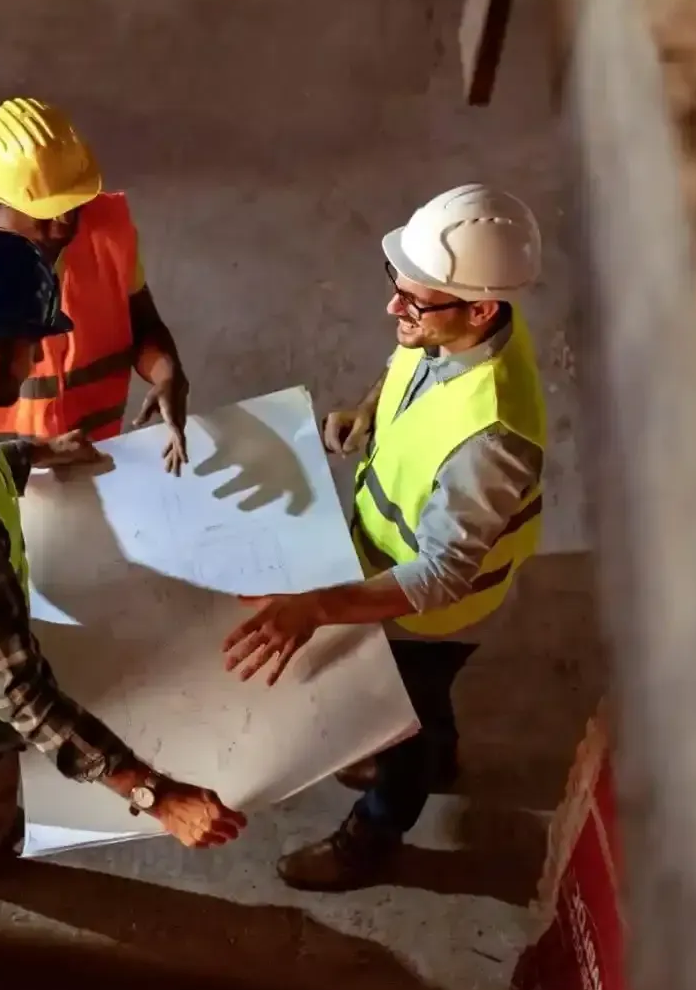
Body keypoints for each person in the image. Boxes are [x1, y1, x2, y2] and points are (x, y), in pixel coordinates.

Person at [0, 226, 245, 928]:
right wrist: (155, 795)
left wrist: (30, 452)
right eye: (31, 347)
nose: (39, 361)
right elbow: (17, 691)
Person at [221, 185, 548, 891]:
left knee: (403, 723)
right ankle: (438, 750)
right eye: (397, 286)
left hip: (433, 615)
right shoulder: (458, 329)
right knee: (417, 705)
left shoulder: (491, 440)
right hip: (386, 570)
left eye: (414, 302)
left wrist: (315, 608)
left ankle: (375, 832)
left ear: (479, 308)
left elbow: (441, 576)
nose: (392, 309)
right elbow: (413, 367)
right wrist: (370, 412)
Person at [0, 97, 192, 473]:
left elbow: (143, 324)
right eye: (49, 209)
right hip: (5, 468)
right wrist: (26, 456)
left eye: (74, 201)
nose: (65, 219)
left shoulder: (109, 230)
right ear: (7, 198)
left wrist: (166, 374)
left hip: (94, 451)